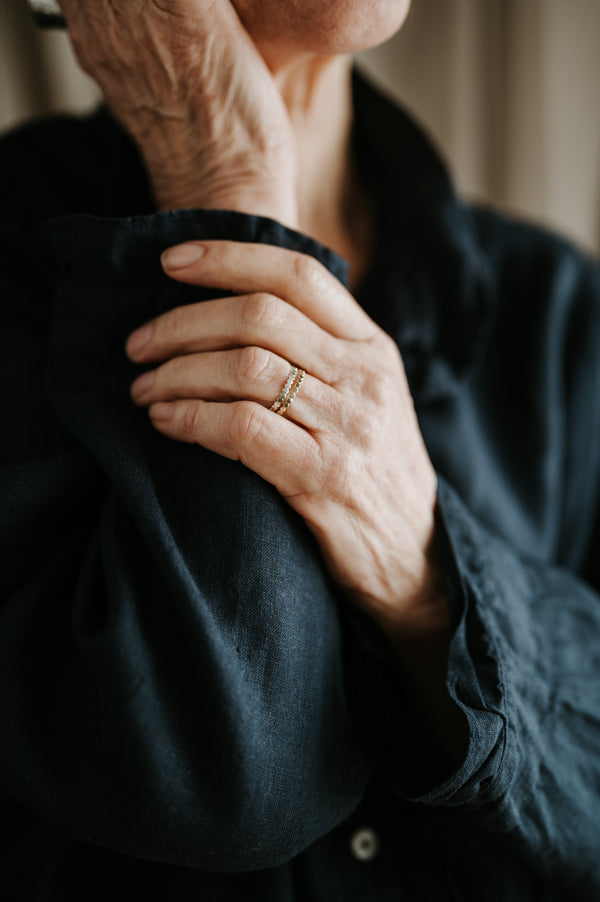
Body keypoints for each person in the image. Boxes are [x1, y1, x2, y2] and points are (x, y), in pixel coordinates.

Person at [1, 0, 599, 899]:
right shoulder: (14, 266)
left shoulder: (556, 308)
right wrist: (224, 172)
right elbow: (219, 786)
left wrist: (424, 573)